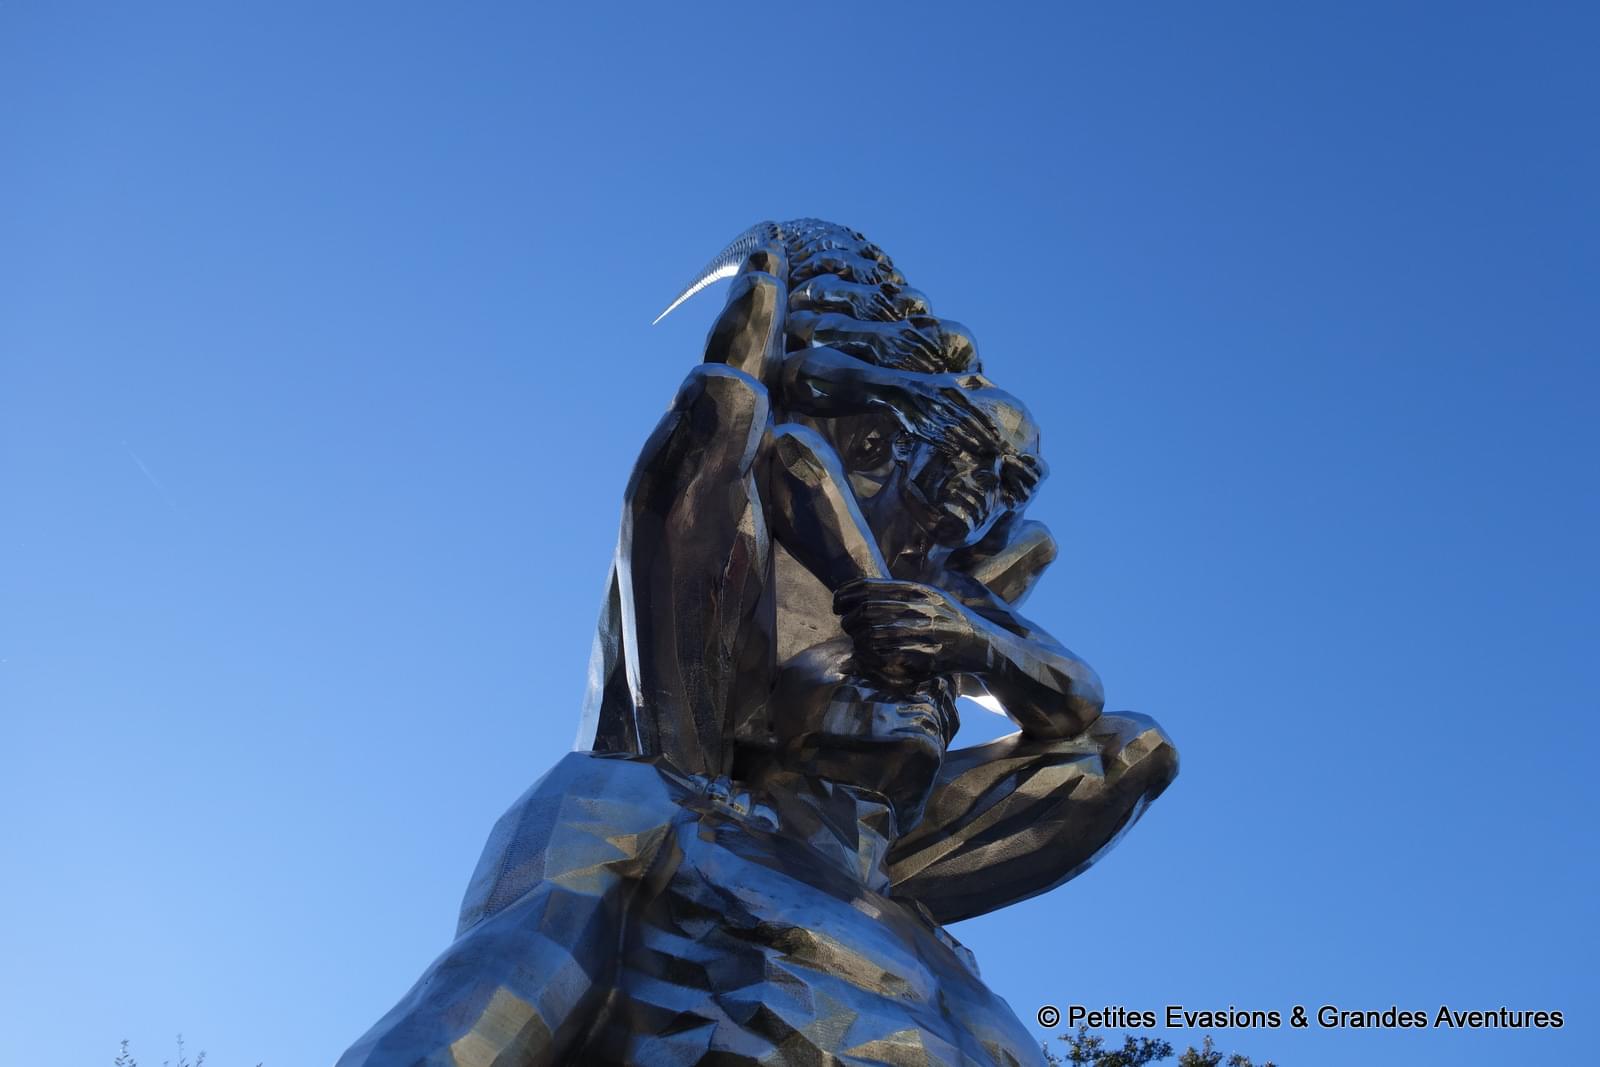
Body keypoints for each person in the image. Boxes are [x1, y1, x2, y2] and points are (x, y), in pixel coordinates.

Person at [338, 235, 1177, 1066]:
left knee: (1137, 748)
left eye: (1003, 481)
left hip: (865, 874)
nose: (979, 491)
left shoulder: (937, 954)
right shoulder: (661, 818)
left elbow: (1094, 718)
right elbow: (484, 1008)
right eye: (965, 457)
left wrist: (973, 643)